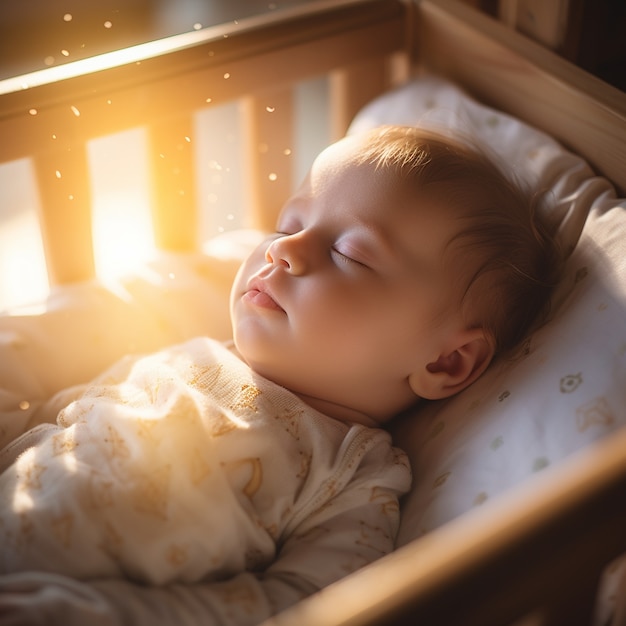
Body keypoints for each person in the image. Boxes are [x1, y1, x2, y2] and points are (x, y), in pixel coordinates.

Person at [0, 125, 560, 624]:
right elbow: (64, 415)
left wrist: (92, 613)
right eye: (288, 223)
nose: (284, 249)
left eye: (350, 254)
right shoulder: (186, 350)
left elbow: (302, 604)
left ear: (445, 361)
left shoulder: (357, 476)